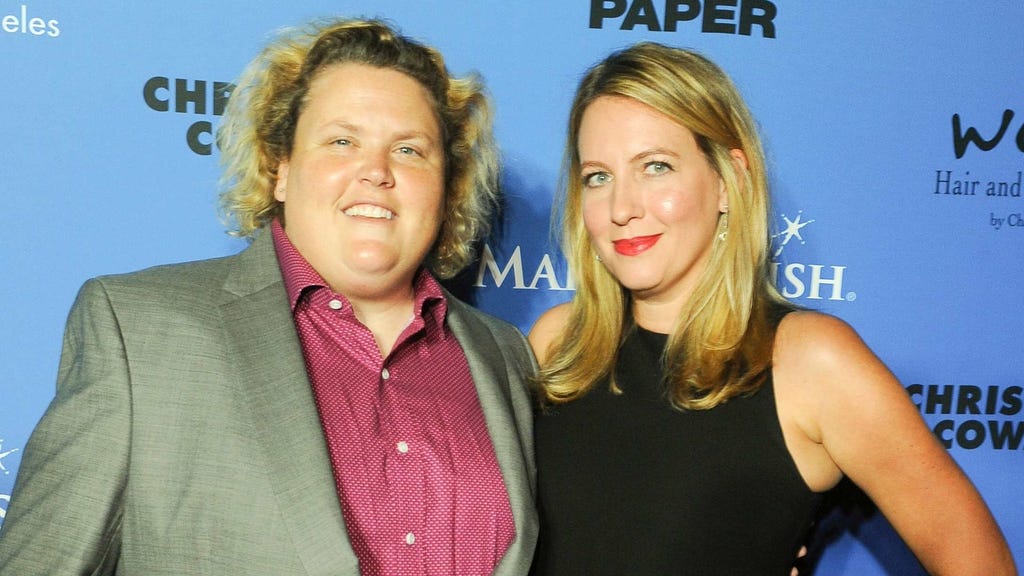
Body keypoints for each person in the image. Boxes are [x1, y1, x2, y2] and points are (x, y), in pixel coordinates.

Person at [0, 17, 538, 576]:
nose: (376, 171)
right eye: (341, 141)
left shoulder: (502, 355)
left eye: (408, 150)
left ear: (447, 186)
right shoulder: (139, 332)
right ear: (280, 169)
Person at [527, 42, 1017, 576]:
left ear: (728, 179)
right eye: (598, 176)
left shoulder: (807, 361)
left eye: (656, 167)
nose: (622, 208)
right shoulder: (559, 345)